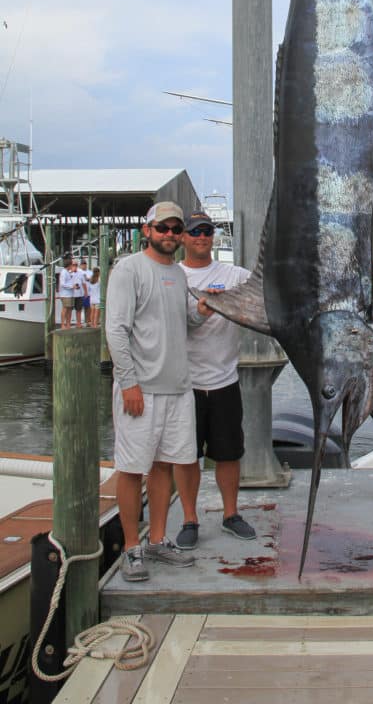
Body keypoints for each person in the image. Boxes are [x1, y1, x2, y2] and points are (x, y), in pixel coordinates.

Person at [105, 201, 214, 582]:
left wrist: (202, 310)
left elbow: (187, 320)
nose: (169, 234)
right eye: (163, 227)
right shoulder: (129, 269)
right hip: (141, 390)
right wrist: (129, 382)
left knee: (165, 464)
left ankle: (158, 538)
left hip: (178, 389)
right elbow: (116, 330)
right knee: (132, 469)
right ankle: (133, 546)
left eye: (175, 228)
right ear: (147, 229)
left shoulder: (179, 274)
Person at [173, 210, 256, 548]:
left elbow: (267, 291)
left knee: (228, 453)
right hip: (183, 384)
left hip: (224, 380)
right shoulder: (172, 276)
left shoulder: (234, 275)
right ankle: (190, 518)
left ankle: (230, 514)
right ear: (182, 237)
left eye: (207, 231)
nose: (202, 237)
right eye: (194, 232)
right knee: (185, 455)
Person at [70, 260, 87, 329]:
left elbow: (84, 283)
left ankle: (79, 323)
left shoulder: (80, 273)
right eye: (73, 265)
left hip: (79, 294)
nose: (75, 266)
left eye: (76, 265)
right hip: (70, 294)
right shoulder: (69, 273)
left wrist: (86, 292)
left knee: (79, 309)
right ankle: (68, 323)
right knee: (69, 309)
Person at [58, 257, 75, 329]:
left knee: (70, 309)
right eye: (72, 265)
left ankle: (68, 324)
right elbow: (62, 284)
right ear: (69, 265)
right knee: (65, 308)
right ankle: (62, 324)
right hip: (65, 294)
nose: (72, 266)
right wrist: (71, 286)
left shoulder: (68, 272)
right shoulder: (64, 272)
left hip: (70, 294)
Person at [79, 259, 93, 326]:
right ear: (80, 265)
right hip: (80, 293)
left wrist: (88, 278)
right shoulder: (78, 272)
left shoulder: (90, 272)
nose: (84, 265)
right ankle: (80, 322)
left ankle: (88, 321)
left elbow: (92, 280)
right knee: (80, 308)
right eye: (82, 264)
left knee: (88, 308)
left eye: (85, 264)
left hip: (89, 293)